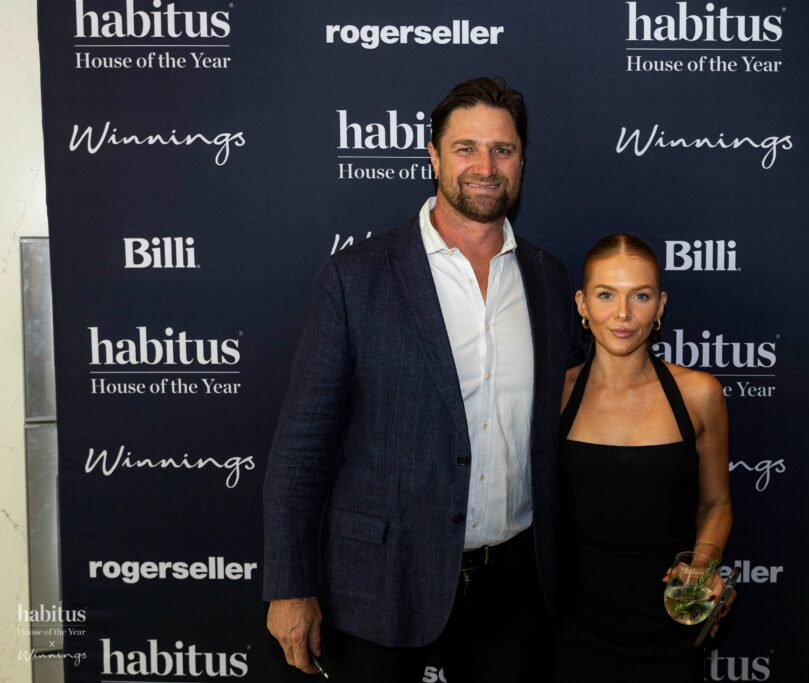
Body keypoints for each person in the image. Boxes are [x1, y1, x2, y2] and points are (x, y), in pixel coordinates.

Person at [262, 77, 581, 683]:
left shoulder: (547, 278)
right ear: (433, 156)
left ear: (521, 160)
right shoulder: (355, 277)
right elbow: (302, 445)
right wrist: (290, 586)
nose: (485, 167)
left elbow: (580, 407)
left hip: (515, 590)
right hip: (380, 581)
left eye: (503, 150)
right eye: (466, 148)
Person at [554, 234, 734, 681]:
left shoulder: (699, 394)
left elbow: (716, 505)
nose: (623, 313)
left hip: (669, 626)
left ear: (660, 305)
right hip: (570, 629)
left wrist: (700, 567)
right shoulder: (554, 395)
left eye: (640, 295)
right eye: (605, 295)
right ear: (582, 304)